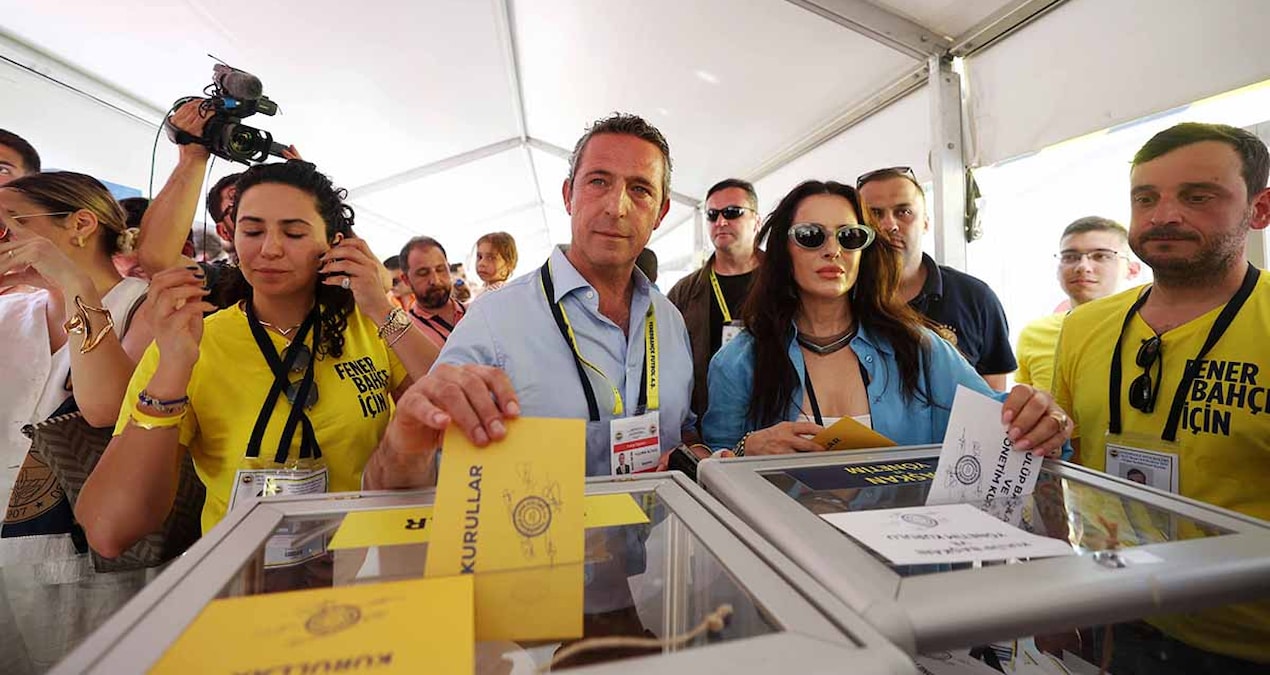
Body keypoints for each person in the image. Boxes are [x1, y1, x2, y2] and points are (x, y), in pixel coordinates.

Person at [76, 161, 440, 560]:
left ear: (335, 243)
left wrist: (383, 310)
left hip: (367, 562)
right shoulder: (193, 341)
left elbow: (450, 406)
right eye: (252, 232)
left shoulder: (368, 324)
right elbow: (110, 532)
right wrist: (172, 370)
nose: (269, 249)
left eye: (294, 233)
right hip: (245, 572)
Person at [362, 111, 695, 487]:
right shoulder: (493, 320)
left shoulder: (670, 321)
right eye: (598, 181)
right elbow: (407, 479)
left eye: (640, 189)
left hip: (658, 527)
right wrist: (402, 443)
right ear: (568, 196)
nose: (616, 207)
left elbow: (682, 427)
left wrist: (695, 454)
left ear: (661, 212)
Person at [1053, 122, 1270, 673]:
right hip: (1116, 610)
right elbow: (1054, 464)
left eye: (1198, 197)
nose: (1163, 216)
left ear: (1260, 209)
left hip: (1248, 640)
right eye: (1145, 198)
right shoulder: (1084, 327)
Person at [702, 180, 1071, 458]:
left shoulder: (919, 348)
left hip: (911, 537)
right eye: (811, 236)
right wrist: (745, 450)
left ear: (865, 250)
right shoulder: (738, 362)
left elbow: (1004, 426)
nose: (833, 250)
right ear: (784, 250)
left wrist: (1040, 421)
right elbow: (714, 465)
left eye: (850, 237)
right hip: (782, 539)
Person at [0, 172, 157, 671]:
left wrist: (73, 284)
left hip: (84, 556)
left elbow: (104, 407)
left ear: (81, 224)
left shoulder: (146, 304)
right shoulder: (11, 309)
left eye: (8, 226)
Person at [857, 167, 1016, 390]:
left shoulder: (976, 298)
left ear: (925, 222)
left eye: (903, 212)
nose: (889, 225)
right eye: (874, 214)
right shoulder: (841, 300)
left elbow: (992, 398)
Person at [668, 179, 764, 424]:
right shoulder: (683, 293)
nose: (721, 221)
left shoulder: (786, 280)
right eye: (712, 215)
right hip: (708, 424)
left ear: (757, 221)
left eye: (732, 212)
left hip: (775, 417)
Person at [1014, 217, 1141, 392]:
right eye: (1070, 257)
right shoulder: (1035, 334)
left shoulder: (1149, 331)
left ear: (1132, 269)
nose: (1083, 266)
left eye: (1101, 256)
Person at [400, 236, 465, 347]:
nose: (435, 280)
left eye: (440, 269)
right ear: (406, 279)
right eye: (423, 273)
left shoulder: (476, 313)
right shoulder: (406, 334)